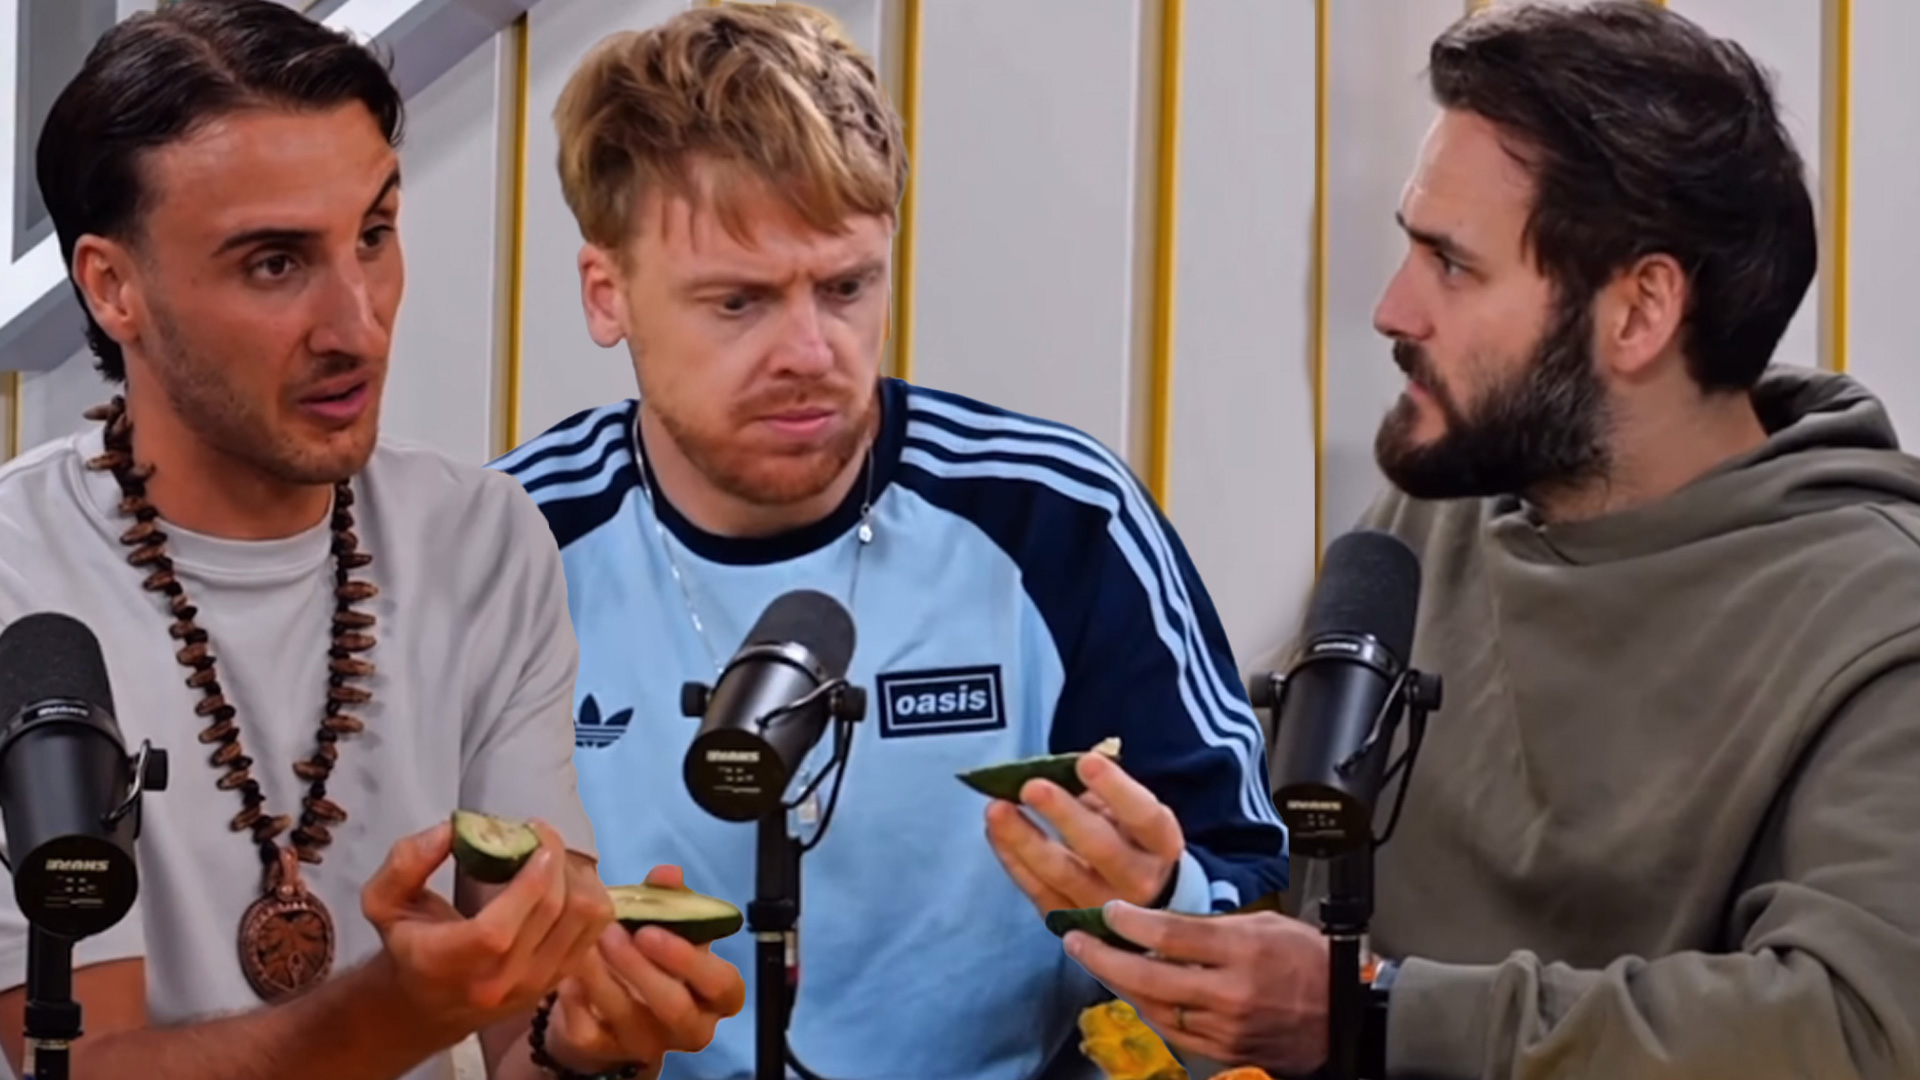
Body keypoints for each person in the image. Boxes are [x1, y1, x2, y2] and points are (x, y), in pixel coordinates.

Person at [1058, 2, 1920, 1078]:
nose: (1390, 309)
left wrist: (1375, 1017)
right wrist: (1162, 879)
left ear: (1640, 311)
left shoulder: (1881, 621)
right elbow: (1281, 868)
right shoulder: (1430, 526)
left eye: (1452, 265)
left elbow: (1860, 1029)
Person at [486, 4, 1290, 1078]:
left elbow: (1244, 893)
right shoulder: (506, 546)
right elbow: (456, 987)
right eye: (738, 302)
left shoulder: (1058, 516)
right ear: (608, 294)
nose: (811, 352)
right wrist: (571, 1043)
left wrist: (1159, 899)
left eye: (847, 286)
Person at [0, 3, 744, 1079]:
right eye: (273, 264)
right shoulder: (21, 572)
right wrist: (393, 1014)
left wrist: (595, 1039)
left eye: (375, 235)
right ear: (114, 288)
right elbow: (72, 1058)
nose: (358, 322)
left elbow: (525, 1030)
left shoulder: (481, 539)